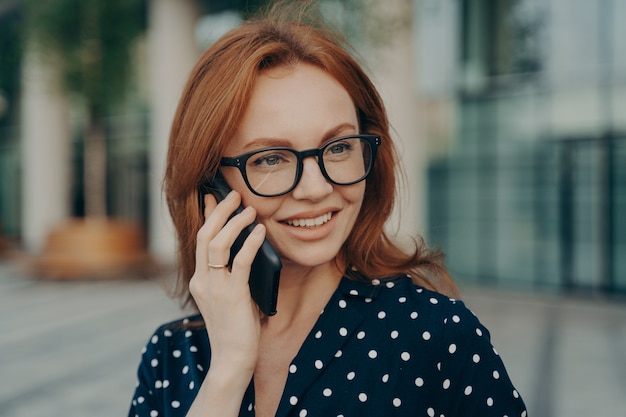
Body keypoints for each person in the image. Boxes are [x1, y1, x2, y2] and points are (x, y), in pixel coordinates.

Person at [128, 2, 527, 417]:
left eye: (338, 148)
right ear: (212, 184)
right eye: (270, 158)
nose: (317, 189)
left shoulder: (438, 337)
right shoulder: (171, 357)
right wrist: (227, 371)